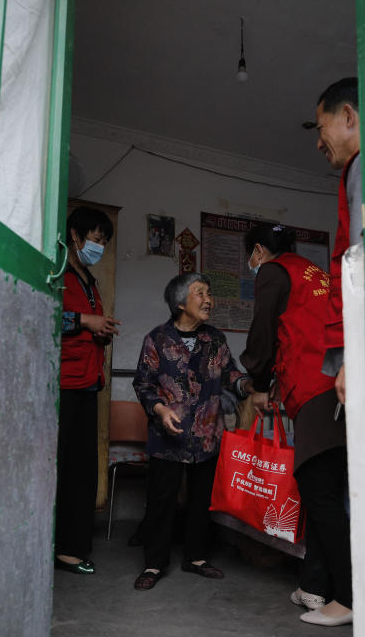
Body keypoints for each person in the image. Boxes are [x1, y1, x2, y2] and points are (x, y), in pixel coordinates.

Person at [240, 224, 352, 627]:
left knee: (321, 495)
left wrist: (256, 381)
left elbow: (264, 332)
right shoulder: (314, 273)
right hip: (337, 383)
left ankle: (348, 596)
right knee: (325, 490)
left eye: (250, 257)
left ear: (258, 251)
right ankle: (314, 586)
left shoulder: (273, 271)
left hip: (315, 388)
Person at [131, 273, 263, 590]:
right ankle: (154, 564)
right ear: (180, 303)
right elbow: (143, 383)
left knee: (201, 501)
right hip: (168, 438)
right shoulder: (157, 339)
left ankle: (196, 557)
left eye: (209, 292)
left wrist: (248, 385)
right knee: (161, 501)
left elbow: (231, 374)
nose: (208, 299)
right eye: (199, 293)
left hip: (207, 436)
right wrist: (160, 410)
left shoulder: (215, 339)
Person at [55, 206, 121, 575]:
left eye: (104, 242)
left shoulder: (90, 281)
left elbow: (83, 328)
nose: (100, 247)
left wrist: (100, 330)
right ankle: (63, 548)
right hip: (63, 384)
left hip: (88, 382)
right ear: (75, 237)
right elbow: (45, 313)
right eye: (96, 239)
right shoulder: (58, 273)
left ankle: (73, 546)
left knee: (83, 470)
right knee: (64, 469)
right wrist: (84, 321)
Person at [314, 77, 362, 406]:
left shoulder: (363, 165)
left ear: (348, 116)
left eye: (320, 128)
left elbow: (362, 260)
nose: (319, 143)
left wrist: (356, 358)